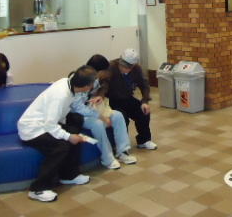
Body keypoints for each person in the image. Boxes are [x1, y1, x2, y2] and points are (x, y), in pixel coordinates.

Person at [17, 66, 97, 202]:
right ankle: (37, 189)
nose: (93, 86)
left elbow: (57, 117)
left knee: (73, 132)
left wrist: (69, 133)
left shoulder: (68, 84)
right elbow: (50, 125)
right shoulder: (61, 95)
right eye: (92, 84)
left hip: (45, 124)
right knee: (61, 146)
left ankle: (69, 175)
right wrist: (68, 137)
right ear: (86, 86)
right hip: (32, 129)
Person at [70, 54, 137, 170]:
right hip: (76, 114)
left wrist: (98, 97)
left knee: (118, 116)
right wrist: (100, 116)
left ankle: (123, 151)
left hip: (90, 108)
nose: (106, 73)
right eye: (104, 71)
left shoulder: (95, 79)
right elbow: (78, 108)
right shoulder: (77, 79)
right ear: (97, 71)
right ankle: (107, 158)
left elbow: (101, 87)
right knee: (98, 124)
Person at [96, 49, 157, 150]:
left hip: (127, 98)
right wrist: (100, 95)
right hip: (112, 100)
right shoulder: (111, 66)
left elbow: (144, 85)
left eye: (128, 67)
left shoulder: (137, 69)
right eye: (123, 66)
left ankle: (144, 140)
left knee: (143, 112)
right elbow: (104, 83)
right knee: (122, 118)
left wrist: (145, 101)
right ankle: (122, 145)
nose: (125, 69)